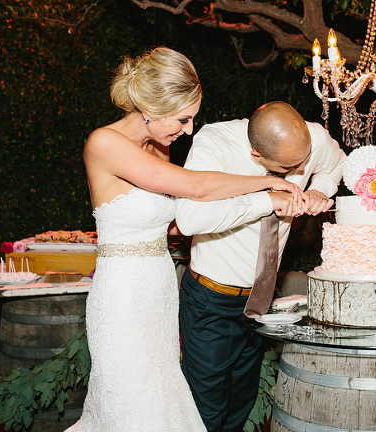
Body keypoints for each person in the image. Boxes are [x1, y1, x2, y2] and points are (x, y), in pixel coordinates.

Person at [72, 47, 304, 431]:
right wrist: (267, 182)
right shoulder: (104, 143)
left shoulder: (160, 146)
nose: (188, 130)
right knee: (127, 399)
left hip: (160, 288)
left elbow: (176, 218)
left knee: (162, 398)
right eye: (183, 119)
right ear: (151, 108)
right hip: (123, 295)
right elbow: (195, 186)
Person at [174, 101, 344, 432]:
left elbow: (335, 163)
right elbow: (189, 218)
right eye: (290, 167)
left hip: (260, 302)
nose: (300, 168)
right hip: (212, 301)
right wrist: (267, 199)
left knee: (241, 403)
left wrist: (318, 191)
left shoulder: (310, 139)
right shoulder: (215, 142)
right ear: (257, 157)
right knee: (205, 411)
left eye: (304, 162)